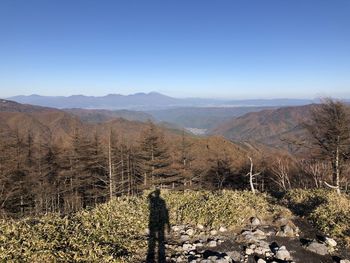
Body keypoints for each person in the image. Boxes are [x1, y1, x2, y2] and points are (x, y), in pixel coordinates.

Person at [146, 189, 170, 263]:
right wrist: (167, 223)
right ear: (159, 194)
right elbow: (165, 212)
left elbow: (148, 196)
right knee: (160, 237)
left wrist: (152, 192)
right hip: (160, 220)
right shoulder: (162, 201)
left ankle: (151, 255)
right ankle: (161, 254)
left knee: (152, 237)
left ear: (155, 194)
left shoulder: (152, 199)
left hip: (153, 219)